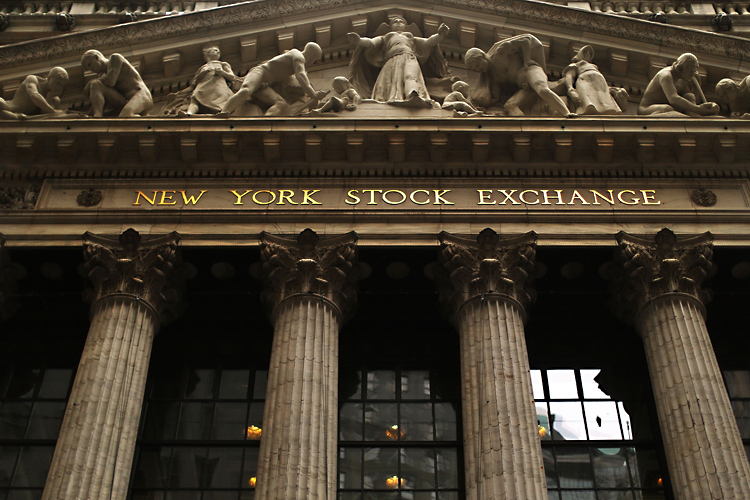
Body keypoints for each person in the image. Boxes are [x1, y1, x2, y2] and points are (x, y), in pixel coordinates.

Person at [347, 16, 450, 108]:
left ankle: (413, 95)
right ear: (390, 27)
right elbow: (371, 43)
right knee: (389, 81)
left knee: (411, 76)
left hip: (409, 57)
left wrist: (440, 35)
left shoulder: (409, 36)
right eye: (394, 21)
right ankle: (389, 98)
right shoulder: (387, 36)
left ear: (405, 26)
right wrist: (359, 40)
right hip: (392, 60)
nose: (398, 21)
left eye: (401, 21)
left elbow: (427, 43)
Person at [464, 34, 575, 117]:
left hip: (529, 71)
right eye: (475, 69)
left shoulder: (499, 52)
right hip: (525, 87)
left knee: (543, 90)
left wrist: (527, 59)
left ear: (482, 56)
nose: (479, 69)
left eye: (477, 65)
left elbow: (525, 40)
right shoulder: (492, 76)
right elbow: (496, 98)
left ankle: (567, 113)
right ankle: (526, 130)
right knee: (509, 106)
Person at [217, 42, 328, 117]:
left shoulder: (290, 67)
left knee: (281, 104)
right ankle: (224, 112)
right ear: (312, 55)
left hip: (264, 84)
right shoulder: (298, 56)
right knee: (246, 90)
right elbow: (301, 75)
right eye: (314, 59)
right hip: (259, 73)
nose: (312, 62)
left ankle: (265, 123)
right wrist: (313, 94)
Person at [165, 44, 237, 116]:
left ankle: (222, 113)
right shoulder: (203, 67)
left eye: (217, 51)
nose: (217, 52)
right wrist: (179, 93)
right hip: (203, 86)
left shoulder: (223, 64)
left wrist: (222, 72)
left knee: (221, 100)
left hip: (218, 86)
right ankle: (189, 114)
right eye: (214, 50)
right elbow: (194, 84)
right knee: (195, 99)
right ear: (207, 54)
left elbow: (232, 77)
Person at [638, 53, 719, 116]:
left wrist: (705, 108)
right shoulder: (666, 75)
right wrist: (698, 109)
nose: (693, 75)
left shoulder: (683, 79)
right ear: (681, 68)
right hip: (647, 108)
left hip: (672, 107)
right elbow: (673, 99)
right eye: (691, 72)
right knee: (666, 109)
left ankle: (695, 121)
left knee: (689, 96)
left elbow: (690, 101)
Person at [81, 50, 153, 117]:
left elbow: (110, 81)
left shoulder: (115, 58)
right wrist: (87, 116)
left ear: (96, 57)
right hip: (125, 101)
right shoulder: (102, 78)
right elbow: (98, 101)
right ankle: (97, 116)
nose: (91, 70)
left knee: (125, 116)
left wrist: (90, 83)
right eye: (89, 68)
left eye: (89, 64)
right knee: (96, 84)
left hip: (141, 95)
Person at [562, 45, 624, 115]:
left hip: (599, 82)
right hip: (585, 80)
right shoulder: (577, 64)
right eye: (586, 52)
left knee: (602, 97)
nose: (588, 54)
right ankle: (589, 108)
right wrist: (570, 88)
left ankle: (607, 109)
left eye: (589, 53)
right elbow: (569, 75)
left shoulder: (594, 67)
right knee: (588, 97)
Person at [0, 67, 69, 120]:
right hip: (7, 107)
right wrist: (53, 111)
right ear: (50, 78)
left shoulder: (55, 100)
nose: (59, 87)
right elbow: (34, 95)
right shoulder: (33, 79)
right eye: (58, 83)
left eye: (62, 86)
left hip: (21, 118)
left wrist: (49, 96)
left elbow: (46, 116)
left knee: (15, 118)